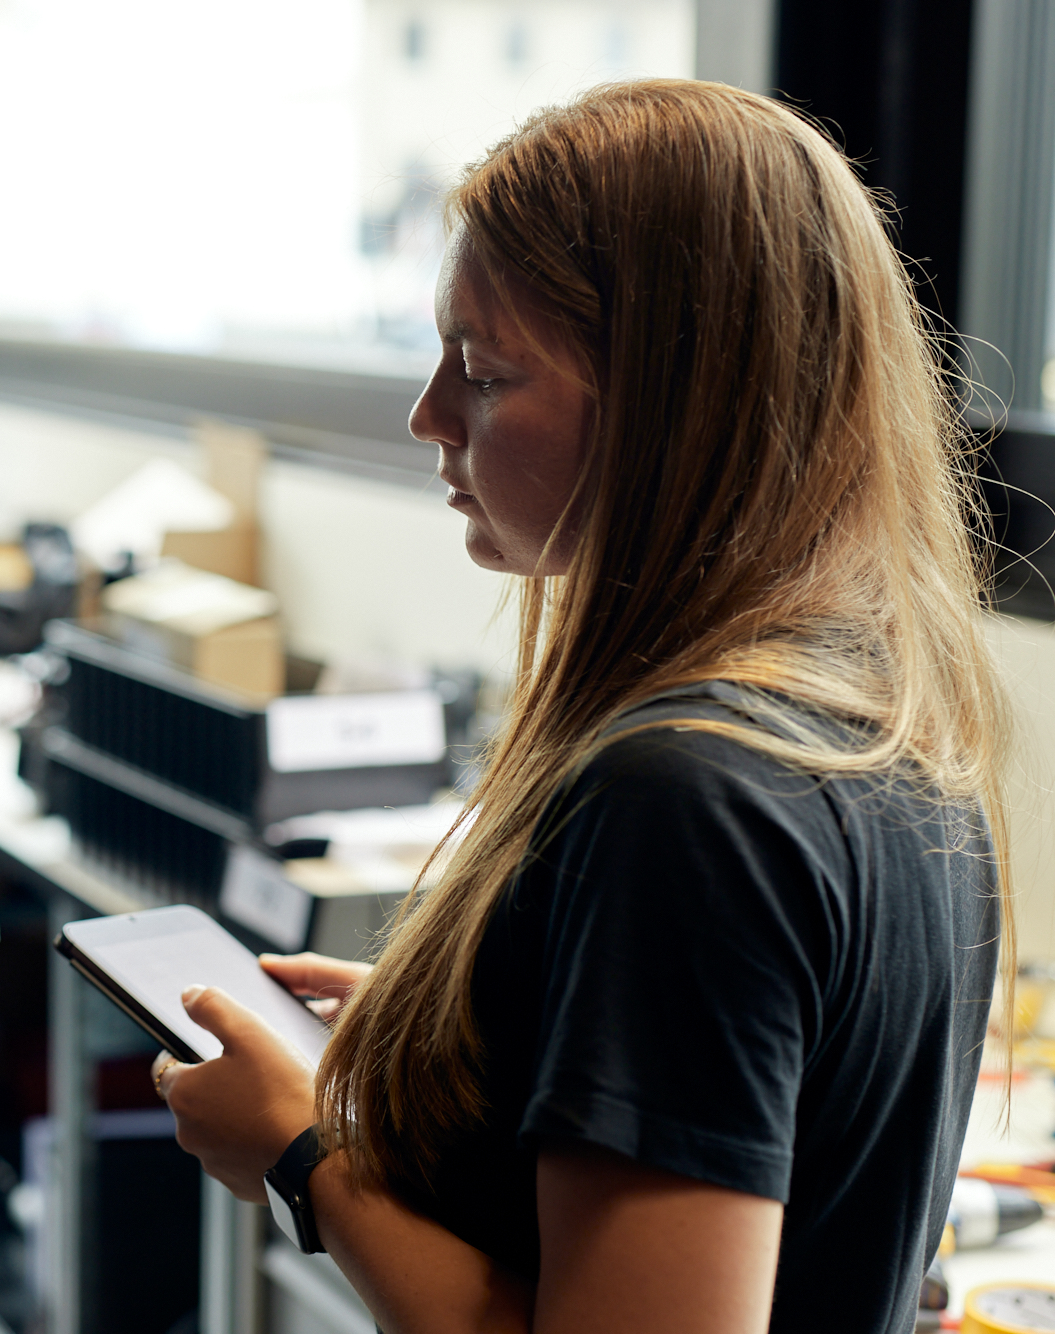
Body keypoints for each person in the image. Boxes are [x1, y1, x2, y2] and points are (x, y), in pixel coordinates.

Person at [154, 79, 1009, 1334]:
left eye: (483, 374)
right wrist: (454, 1048)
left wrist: (299, 1155)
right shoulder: (878, 720)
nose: (427, 416)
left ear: (674, 403)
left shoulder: (685, 797)